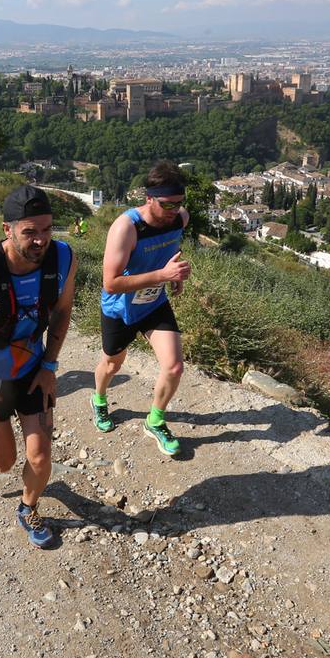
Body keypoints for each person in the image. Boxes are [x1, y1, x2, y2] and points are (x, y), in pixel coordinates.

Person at [0, 186, 76, 549]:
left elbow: (63, 312)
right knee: (3, 461)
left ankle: (28, 508)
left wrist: (50, 365)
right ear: (8, 230)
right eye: (30, 232)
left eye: (47, 230)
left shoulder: (63, 258)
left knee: (40, 455)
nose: (41, 240)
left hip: (32, 370)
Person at [91, 162, 192, 457]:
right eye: (167, 204)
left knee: (174, 366)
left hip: (153, 304)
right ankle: (98, 399)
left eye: (178, 203)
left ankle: (155, 420)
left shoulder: (180, 218)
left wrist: (176, 276)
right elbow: (110, 283)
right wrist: (162, 276)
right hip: (119, 309)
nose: (174, 210)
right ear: (149, 198)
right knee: (112, 364)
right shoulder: (127, 227)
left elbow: (172, 248)